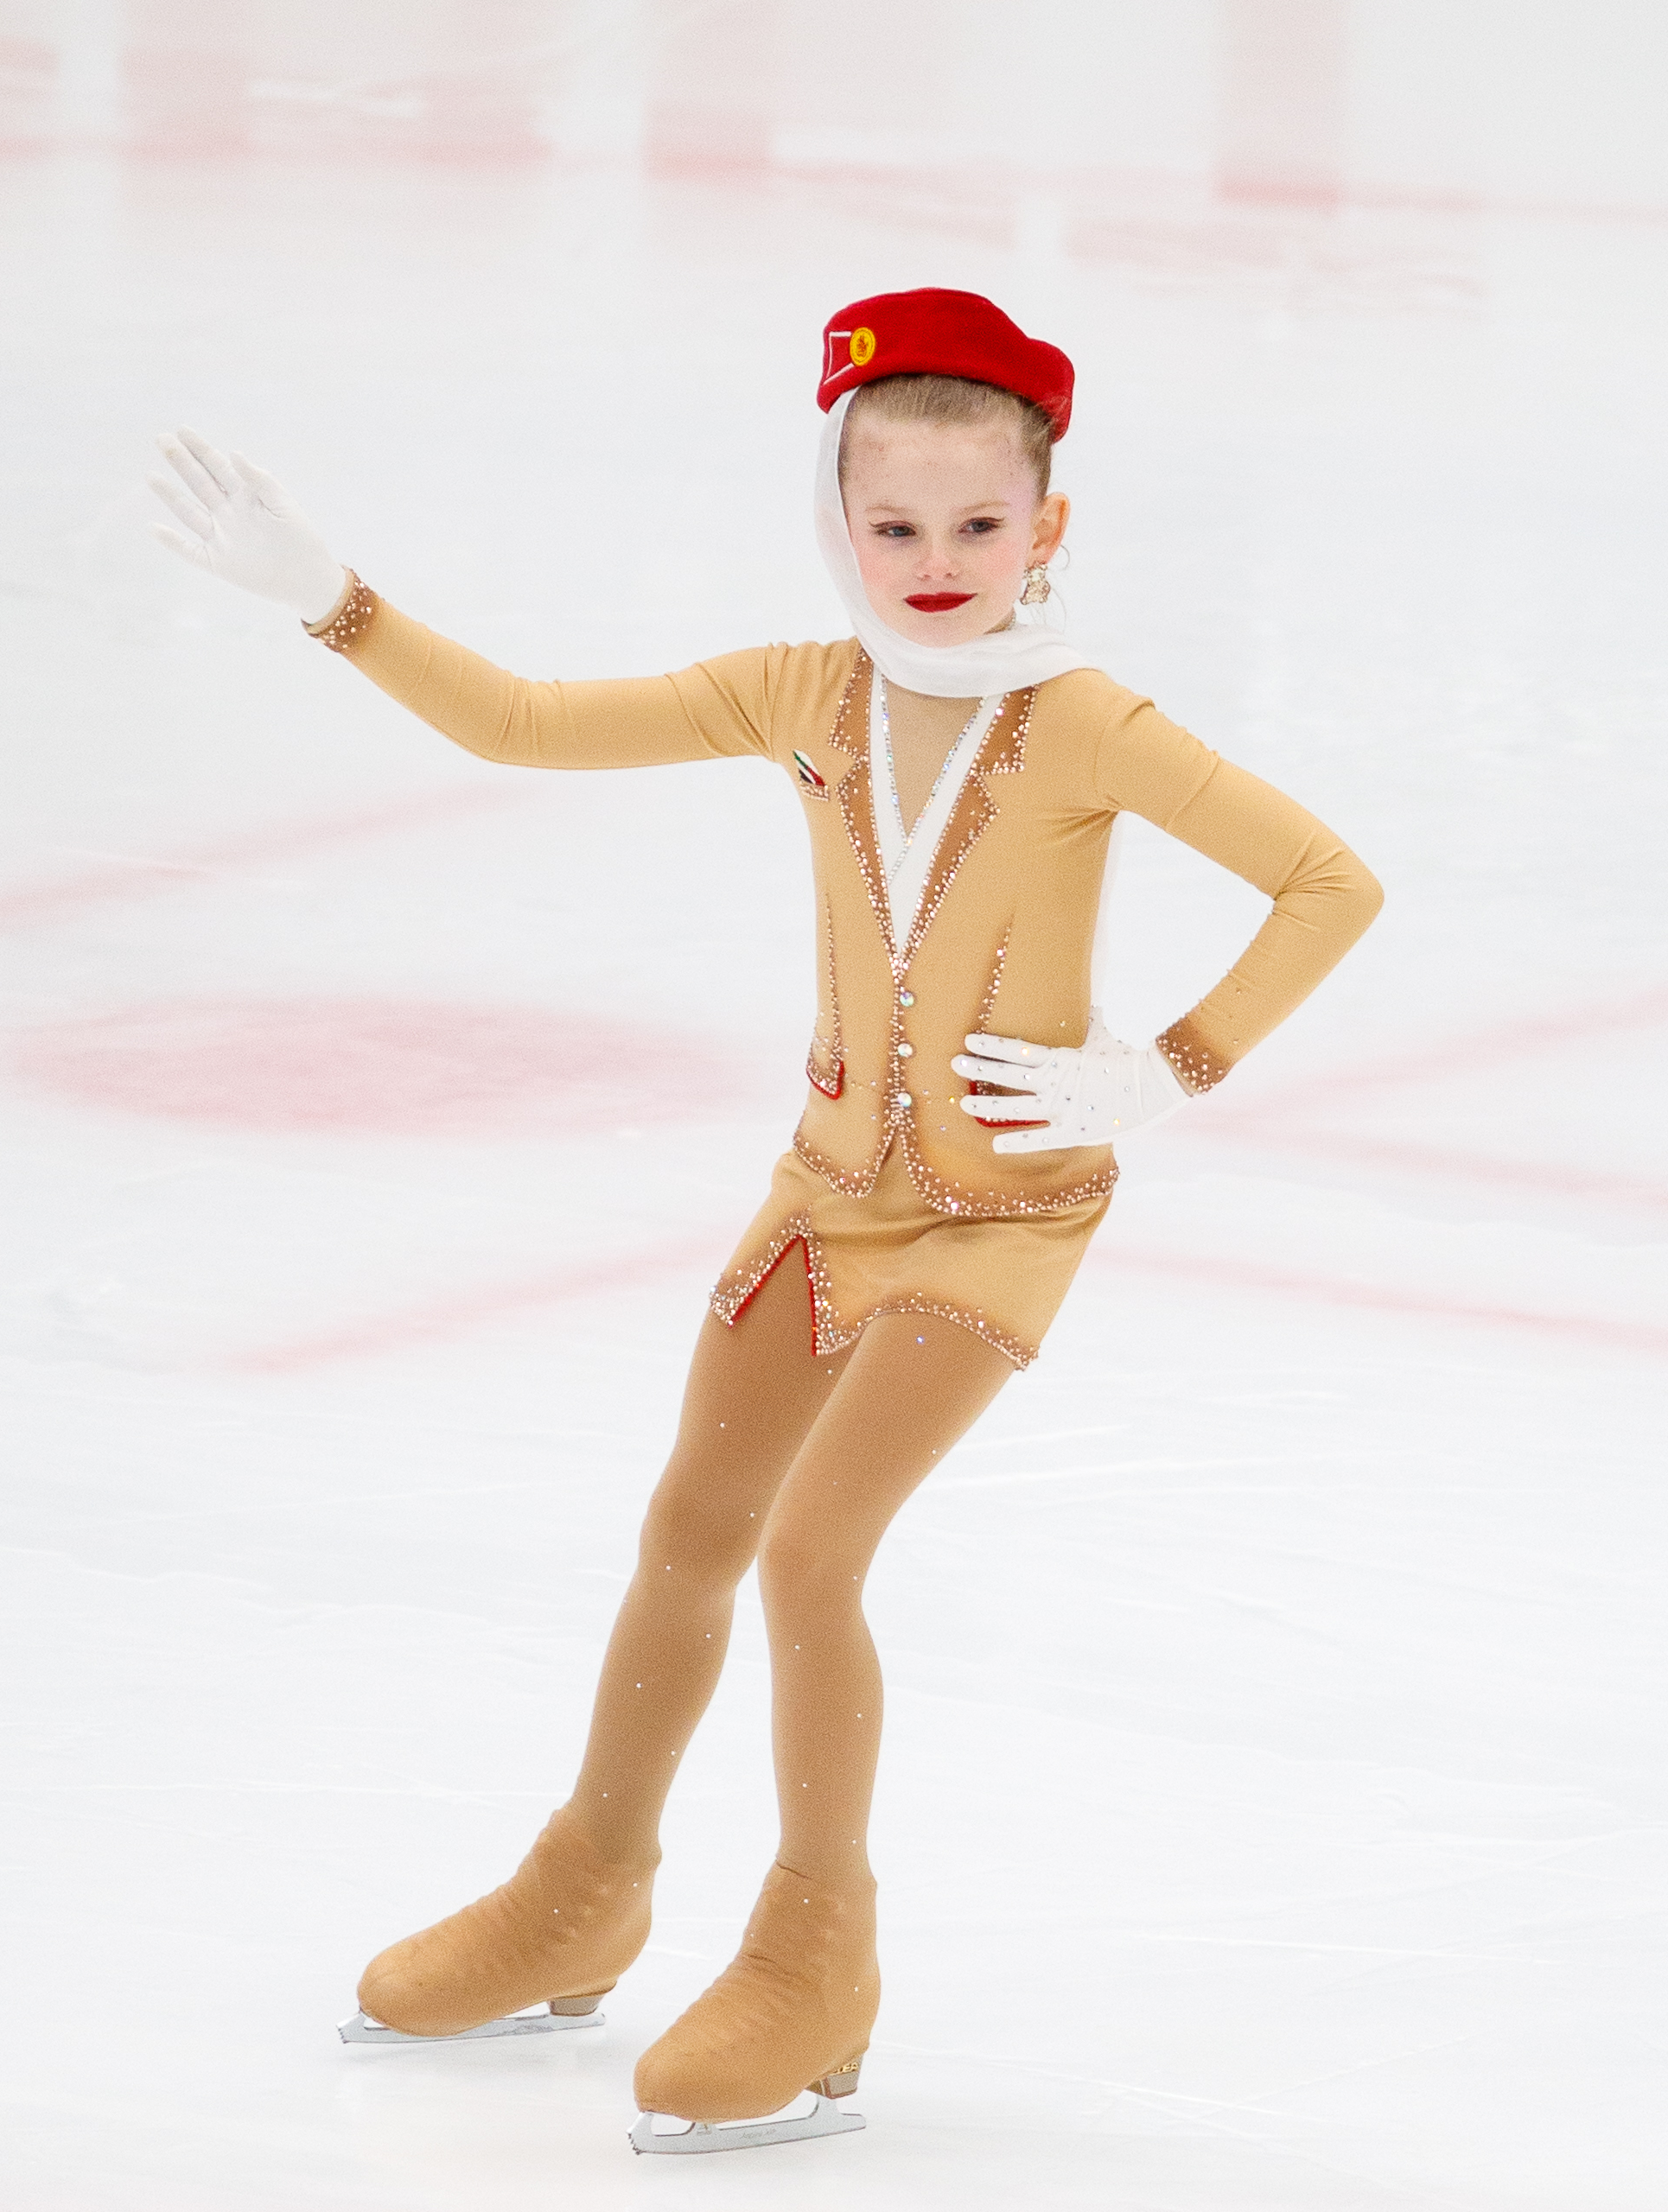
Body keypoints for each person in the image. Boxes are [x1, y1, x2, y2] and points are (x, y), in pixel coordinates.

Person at [149, 286, 1382, 2152]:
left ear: (1047, 523)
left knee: (812, 1552)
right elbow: (525, 723)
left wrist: (1169, 1067)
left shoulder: (1086, 723)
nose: (937, 561)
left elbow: (1328, 880)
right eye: (895, 523)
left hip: (996, 1219)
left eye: (979, 522)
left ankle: (819, 1952)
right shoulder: (809, 693)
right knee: (688, 1530)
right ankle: (585, 1884)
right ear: (836, 520)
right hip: (823, 1197)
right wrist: (332, 596)